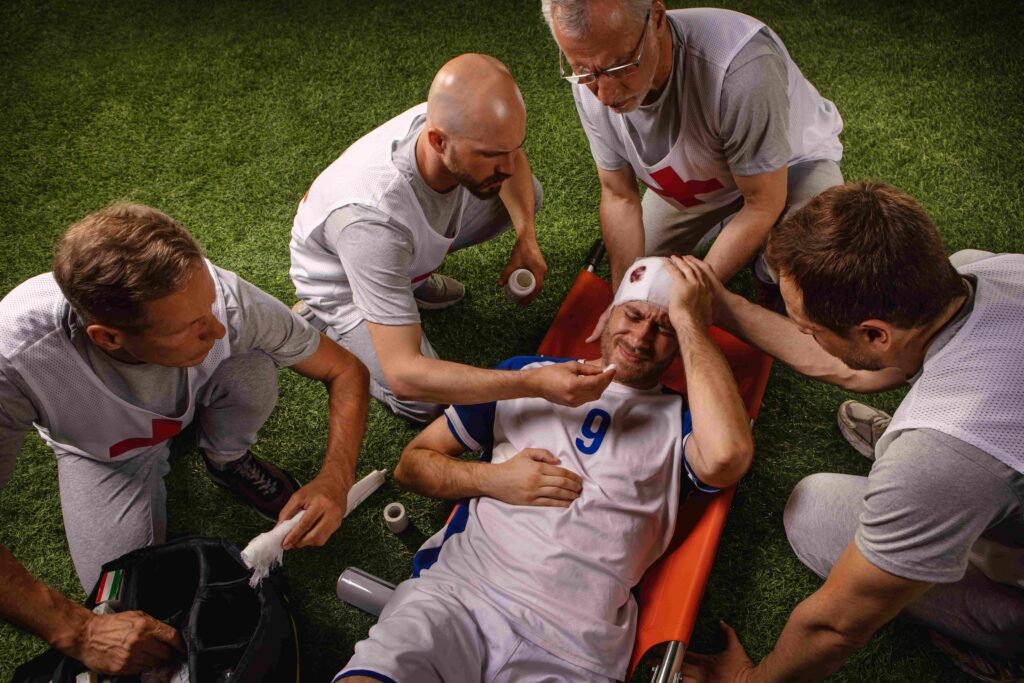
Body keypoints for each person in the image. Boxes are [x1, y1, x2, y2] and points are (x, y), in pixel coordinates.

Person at [335, 256, 754, 682]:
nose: (642, 337)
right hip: (463, 595)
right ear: (609, 313)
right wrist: (495, 479)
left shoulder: (683, 420)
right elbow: (411, 466)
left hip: (576, 645)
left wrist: (690, 322)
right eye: (633, 315)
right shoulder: (527, 376)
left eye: (664, 329)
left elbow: (727, 458)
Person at [0, 203, 369, 676]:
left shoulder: (224, 303)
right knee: (122, 591)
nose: (215, 328)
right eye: (190, 327)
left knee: (250, 364)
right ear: (108, 339)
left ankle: (227, 458)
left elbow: (344, 370)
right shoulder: (16, 356)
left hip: (203, 393)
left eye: (208, 305)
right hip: (107, 456)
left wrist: (336, 475)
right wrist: (79, 630)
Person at [678, 181, 1024, 681]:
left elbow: (836, 627)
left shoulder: (942, 455)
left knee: (813, 510)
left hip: (957, 466)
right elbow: (862, 369)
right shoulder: (984, 270)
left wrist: (748, 680)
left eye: (809, 328)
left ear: (875, 334)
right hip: (973, 458)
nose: (802, 332)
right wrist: (717, 304)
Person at [290, 53, 611, 423]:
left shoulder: (457, 125)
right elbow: (405, 375)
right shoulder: (373, 225)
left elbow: (512, 160)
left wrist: (527, 239)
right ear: (438, 141)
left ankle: (410, 280)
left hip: (396, 249)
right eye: (491, 155)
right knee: (424, 403)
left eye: (511, 147)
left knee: (526, 197)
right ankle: (333, 326)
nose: (508, 166)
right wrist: (533, 382)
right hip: (345, 279)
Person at [540, 0, 844, 297]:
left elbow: (763, 202)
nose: (604, 95)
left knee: (806, 270)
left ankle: (762, 264)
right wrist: (625, 298)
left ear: (657, 17)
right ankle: (730, 225)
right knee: (644, 274)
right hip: (705, 178)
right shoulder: (591, 72)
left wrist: (691, 298)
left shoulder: (741, 68)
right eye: (583, 71)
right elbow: (619, 196)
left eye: (620, 66)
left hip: (790, 166)